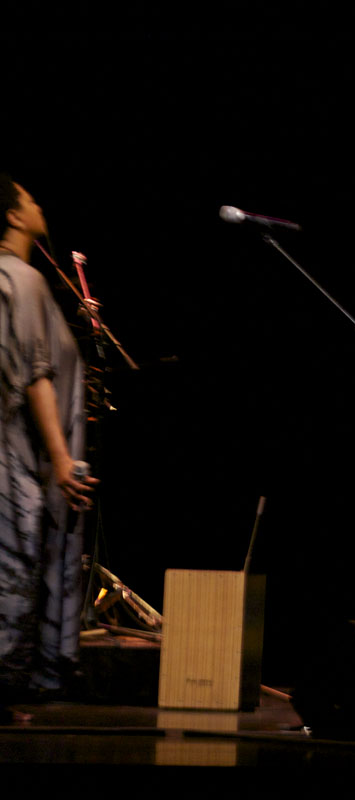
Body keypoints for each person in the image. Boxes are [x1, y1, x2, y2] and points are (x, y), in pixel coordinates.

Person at [1, 174, 97, 722]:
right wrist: (62, 459)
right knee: (14, 570)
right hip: (25, 458)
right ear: (13, 216)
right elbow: (34, 375)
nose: (40, 203)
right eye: (30, 199)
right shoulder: (22, 278)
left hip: (24, 456)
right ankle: (14, 689)